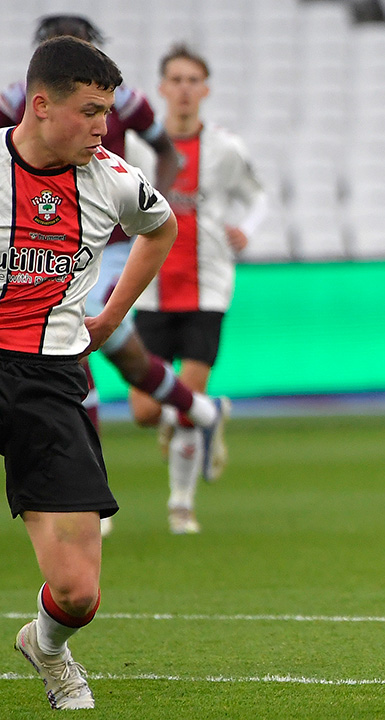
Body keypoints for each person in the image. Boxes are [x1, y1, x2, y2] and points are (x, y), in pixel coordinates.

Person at [1, 15, 231, 537]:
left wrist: (158, 195)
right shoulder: (17, 96)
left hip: (104, 243)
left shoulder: (123, 105)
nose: (101, 121)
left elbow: (166, 151)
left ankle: (83, 502)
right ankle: (197, 408)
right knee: (120, 356)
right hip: (35, 240)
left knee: (76, 344)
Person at [4, 36, 178, 710]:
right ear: (41, 106)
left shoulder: (113, 180)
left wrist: (110, 315)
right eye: (91, 111)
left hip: (51, 379)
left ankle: (45, 647)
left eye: (109, 110)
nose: (106, 126)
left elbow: (159, 230)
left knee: (79, 593)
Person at [128, 44, 265, 535]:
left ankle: (180, 504)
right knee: (146, 411)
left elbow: (257, 195)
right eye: (176, 80)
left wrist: (246, 227)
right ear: (162, 87)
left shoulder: (225, 147)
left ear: (205, 89)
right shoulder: (140, 147)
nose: (184, 89)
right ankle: (210, 414)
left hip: (207, 287)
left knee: (184, 398)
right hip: (150, 287)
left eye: (193, 80)